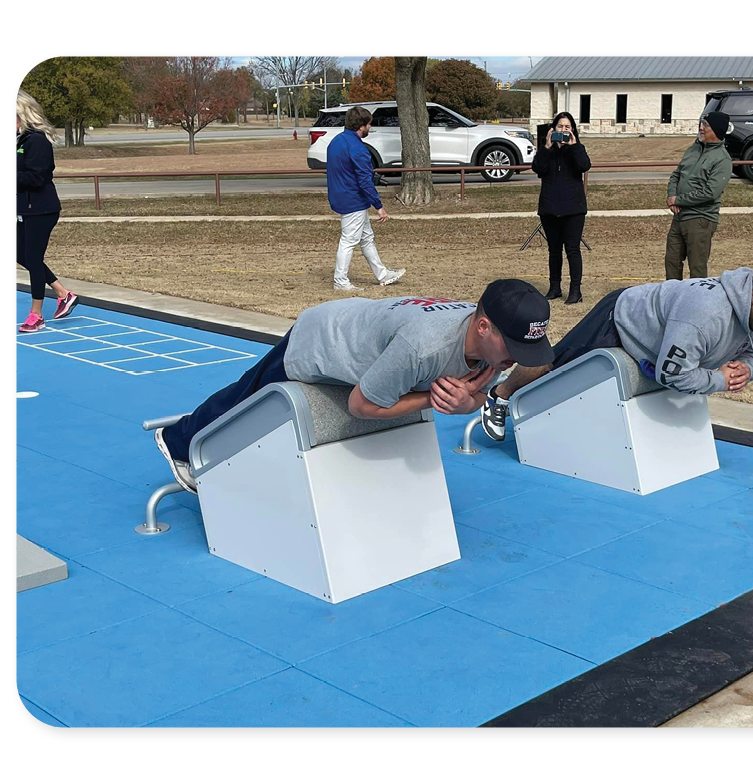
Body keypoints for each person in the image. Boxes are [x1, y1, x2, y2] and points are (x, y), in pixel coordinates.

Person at [153, 280, 553, 493]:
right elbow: (360, 405)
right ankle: (178, 439)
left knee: (251, 400)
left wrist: (468, 403)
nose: (517, 359)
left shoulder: (492, 349)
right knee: (247, 400)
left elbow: (475, 395)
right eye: (515, 347)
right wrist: (431, 400)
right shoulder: (424, 346)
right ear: (483, 327)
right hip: (322, 336)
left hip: (367, 330)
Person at [481, 261, 753, 441]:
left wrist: (747, 369)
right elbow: (672, 374)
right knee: (554, 366)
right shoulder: (706, 314)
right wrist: (720, 380)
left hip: (653, 333)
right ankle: (500, 395)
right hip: (619, 317)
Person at [15, 90, 79, 334]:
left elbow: (36, 178)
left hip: (42, 209)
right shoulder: (19, 140)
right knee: (18, 252)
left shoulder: (38, 141)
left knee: (32, 258)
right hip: (25, 208)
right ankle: (63, 293)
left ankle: (36, 315)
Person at [326, 106, 405, 292]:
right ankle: (340, 281)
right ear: (361, 126)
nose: (370, 127)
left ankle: (382, 274)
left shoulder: (335, 142)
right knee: (348, 241)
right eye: (369, 124)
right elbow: (364, 180)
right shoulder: (358, 148)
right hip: (353, 200)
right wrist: (379, 206)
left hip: (342, 196)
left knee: (367, 238)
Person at [664, 111, 733, 280]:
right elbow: (676, 175)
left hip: (700, 219)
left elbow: (710, 193)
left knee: (697, 268)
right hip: (679, 216)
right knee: (672, 261)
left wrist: (679, 200)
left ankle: (696, 297)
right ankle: (672, 295)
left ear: (716, 130)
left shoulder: (722, 160)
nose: (701, 128)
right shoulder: (693, 149)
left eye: (706, 125)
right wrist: (672, 196)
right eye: (701, 124)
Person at [533, 111, 591, 305]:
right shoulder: (547, 150)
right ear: (553, 129)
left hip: (573, 207)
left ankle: (575, 291)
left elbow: (584, 166)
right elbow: (538, 168)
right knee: (554, 250)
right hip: (550, 207)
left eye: (567, 127)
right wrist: (546, 147)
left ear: (572, 130)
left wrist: (574, 147)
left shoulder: (577, 149)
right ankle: (554, 287)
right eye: (560, 126)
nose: (563, 130)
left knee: (572, 250)